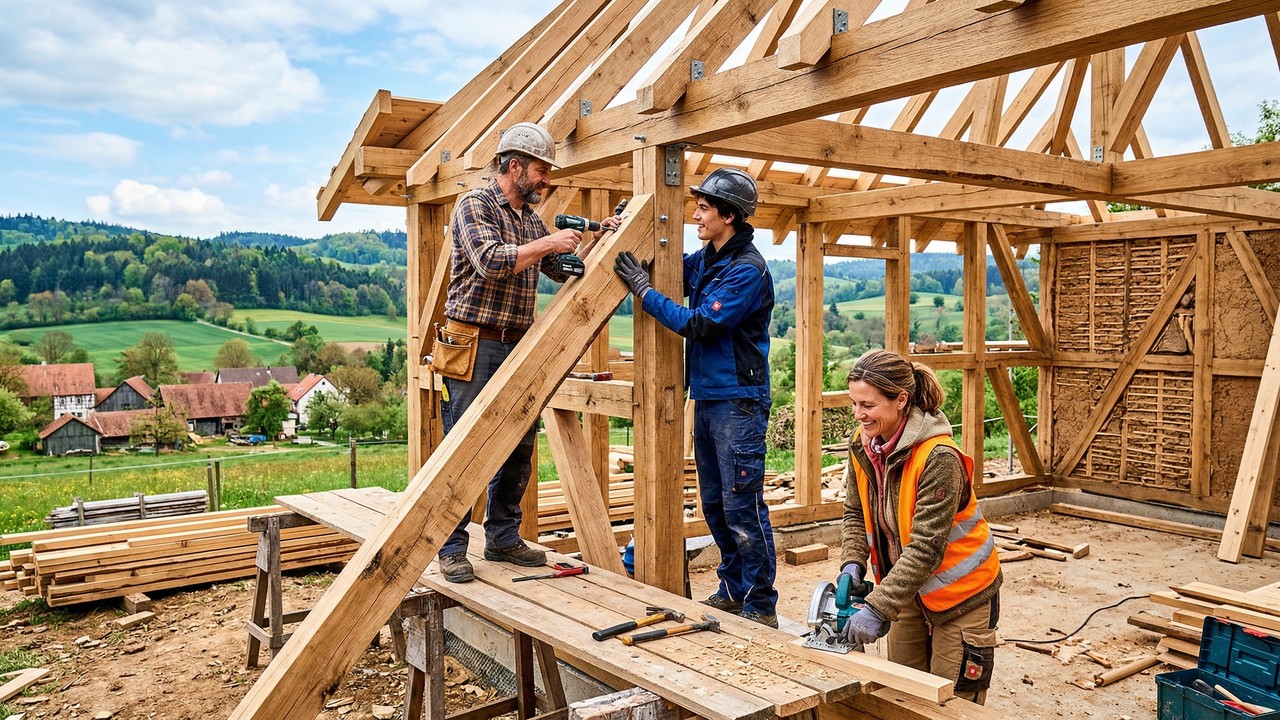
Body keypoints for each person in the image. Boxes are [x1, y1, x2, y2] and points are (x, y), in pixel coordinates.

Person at [433, 122, 617, 583]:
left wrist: (600, 237)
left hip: (517, 343)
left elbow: (561, 268)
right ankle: (451, 547)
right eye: (540, 170)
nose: (546, 179)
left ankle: (501, 537)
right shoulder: (474, 205)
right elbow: (491, 261)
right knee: (463, 447)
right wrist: (551, 241)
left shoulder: (530, 219)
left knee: (518, 442)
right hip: (473, 342)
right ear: (514, 166)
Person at [613, 167, 778, 627]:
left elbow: (700, 323)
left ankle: (761, 604)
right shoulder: (709, 259)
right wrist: (629, 232)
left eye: (705, 208)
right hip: (708, 398)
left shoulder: (747, 270)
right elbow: (668, 268)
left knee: (743, 502)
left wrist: (644, 294)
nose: (697, 214)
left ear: (729, 215)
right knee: (714, 503)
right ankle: (732, 587)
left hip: (739, 402)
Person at [838, 349, 1002, 704]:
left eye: (867, 404)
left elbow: (928, 546)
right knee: (903, 694)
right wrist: (852, 562)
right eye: (853, 403)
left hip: (962, 594)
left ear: (900, 400)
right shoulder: (862, 445)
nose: (858, 414)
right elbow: (855, 511)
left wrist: (877, 607)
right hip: (907, 588)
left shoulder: (939, 458)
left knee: (951, 703)